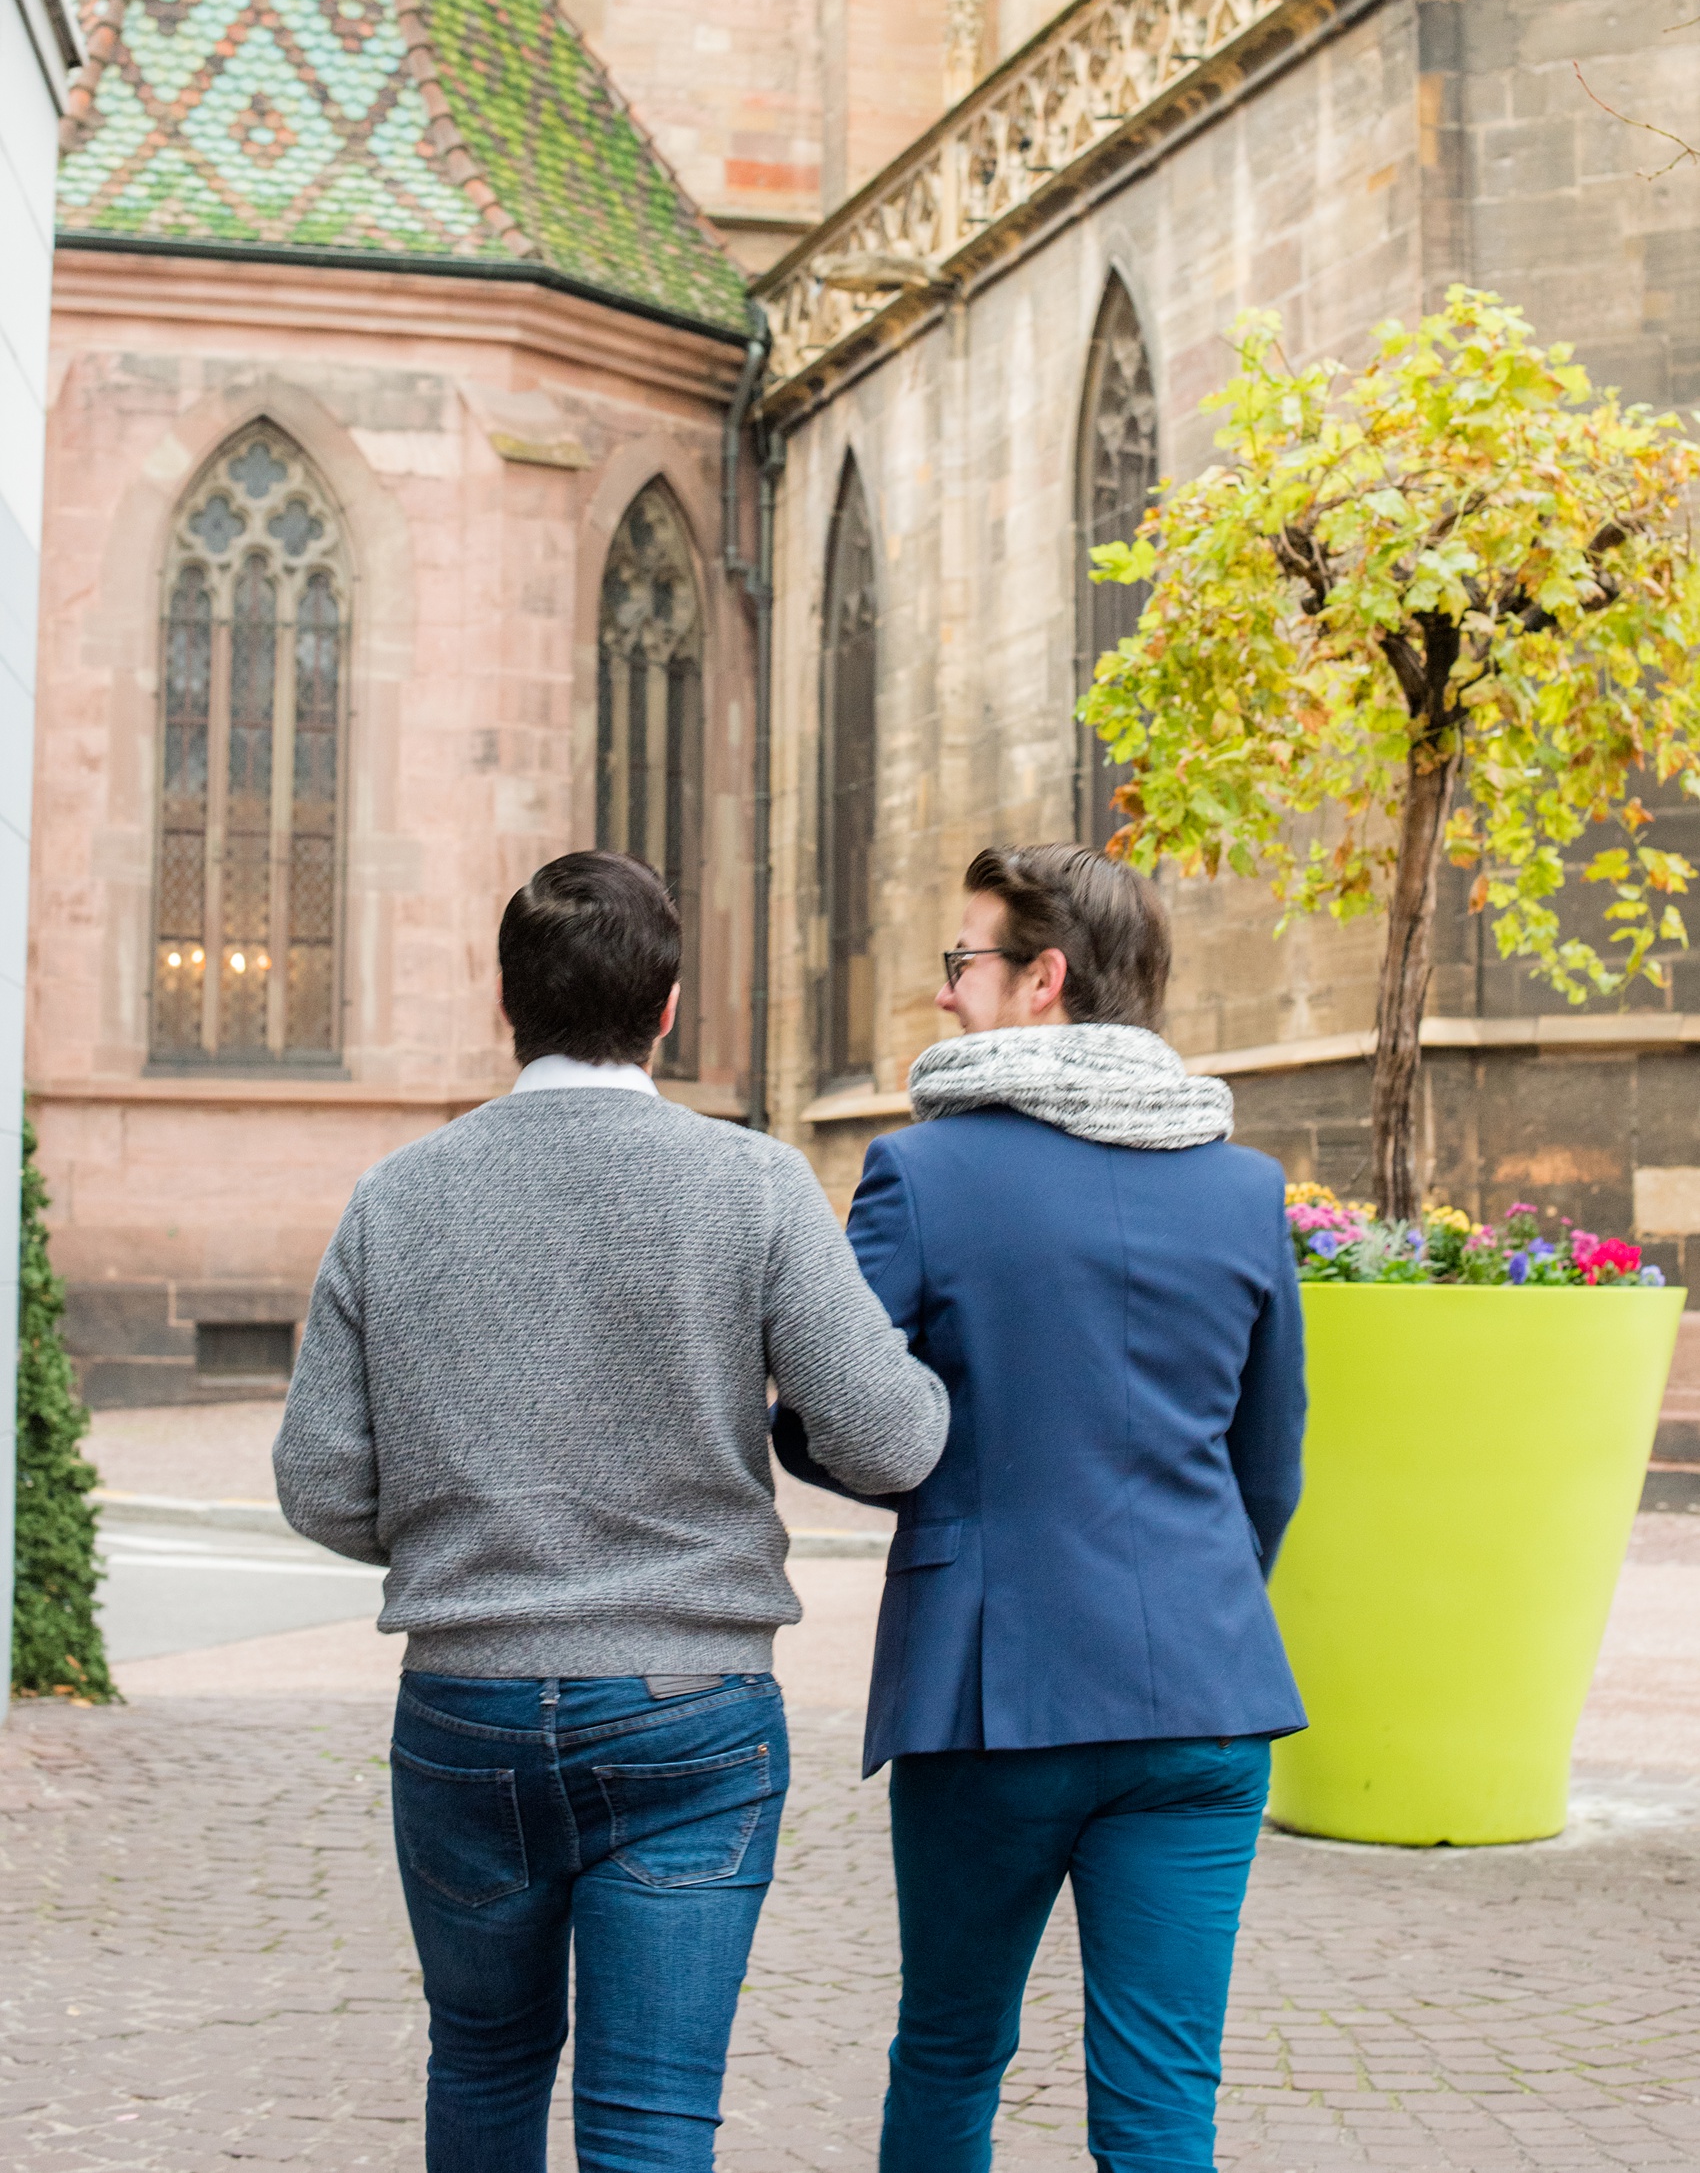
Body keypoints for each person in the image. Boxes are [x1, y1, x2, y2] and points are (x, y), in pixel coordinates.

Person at [274, 850, 948, 2173]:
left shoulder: (395, 1195)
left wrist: (455, 1529)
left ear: (506, 1000)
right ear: (670, 1005)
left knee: (481, 2062)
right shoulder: (751, 1186)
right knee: (648, 2123)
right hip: (689, 1707)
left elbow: (318, 1479)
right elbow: (889, 1436)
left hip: (466, 1702)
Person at [775, 841, 1306, 2173]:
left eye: (965, 962)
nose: (946, 993)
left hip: (991, 1689)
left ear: (1041, 980)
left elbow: (845, 1414)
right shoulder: (1245, 1187)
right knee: (1163, 2095)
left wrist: (886, 1465)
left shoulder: (924, 1174)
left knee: (952, 2049)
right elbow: (1272, 1459)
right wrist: (1193, 1592)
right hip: (1202, 1690)